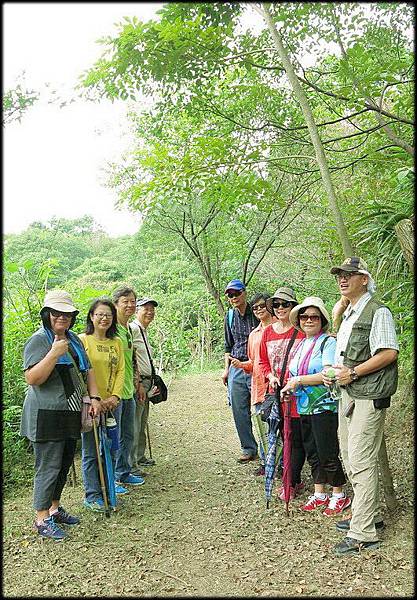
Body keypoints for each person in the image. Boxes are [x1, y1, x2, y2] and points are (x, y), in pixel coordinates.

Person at [324, 257, 399, 556]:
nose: (342, 279)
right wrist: (338, 310)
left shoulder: (377, 312)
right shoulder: (351, 312)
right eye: (340, 275)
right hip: (350, 393)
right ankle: (369, 515)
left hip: (368, 395)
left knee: (361, 458)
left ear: (364, 279)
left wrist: (353, 372)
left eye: (349, 275)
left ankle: (363, 533)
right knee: (349, 456)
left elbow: (389, 353)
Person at [20, 290, 100, 540]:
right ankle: (41, 517)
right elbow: (33, 378)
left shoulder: (74, 339)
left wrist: (95, 398)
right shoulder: (38, 341)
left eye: (66, 314)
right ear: (47, 315)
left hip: (70, 411)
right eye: (56, 313)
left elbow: (88, 372)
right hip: (45, 414)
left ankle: (54, 508)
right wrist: (54, 354)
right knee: (48, 466)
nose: (61, 317)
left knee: (64, 463)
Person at [280, 296, 350, 515]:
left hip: (324, 405)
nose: (308, 320)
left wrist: (298, 381)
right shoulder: (301, 343)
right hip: (303, 406)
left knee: (327, 450)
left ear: (322, 320)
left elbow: (329, 373)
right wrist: (289, 387)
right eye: (304, 316)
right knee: (313, 452)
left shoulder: (328, 342)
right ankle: (320, 492)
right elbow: (294, 374)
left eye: (314, 317)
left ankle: (339, 493)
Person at [79, 298, 126, 511]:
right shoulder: (82, 341)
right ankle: (92, 494)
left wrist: (115, 397)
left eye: (108, 315)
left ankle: (109, 487)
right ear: (91, 316)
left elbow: (120, 371)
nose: (104, 318)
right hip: (90, 405)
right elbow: (81, 373)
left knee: (110, 447)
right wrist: (94, 399)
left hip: (110, 404)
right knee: (90, 450)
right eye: (99, 314)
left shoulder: (116, 343)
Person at [259, 287, 305, 499]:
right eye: (276, 305)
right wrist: (270, 376)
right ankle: (290, 478)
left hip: (297, 394)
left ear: (293, 307)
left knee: (295, 439)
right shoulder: (267, 332)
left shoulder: (302, 332)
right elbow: (263, 362)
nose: (280, 308)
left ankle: (291, 482)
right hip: (275, 394)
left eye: (285, 304)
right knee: (280, 437)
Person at [229, 292, 275, 476]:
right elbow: (254, 362)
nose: (258, 310)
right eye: (255, 308)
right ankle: (266, 462)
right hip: (257, 385)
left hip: (272, 386)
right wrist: (241, 365)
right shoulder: (254, 334)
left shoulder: (278, 329)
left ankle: (279, 463)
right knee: (261, 425)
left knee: (275, 425)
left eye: (262, 306)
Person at [222, 279, 259, 463]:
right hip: (237, 365)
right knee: (239, 410)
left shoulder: (258, 312)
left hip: (256, 367)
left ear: (244, 292)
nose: (234, 297)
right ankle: (249, 448)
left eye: (237, 293)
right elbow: (228, 346)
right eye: (230, 295)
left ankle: (271, 449)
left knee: (262, 409)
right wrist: (226, 370)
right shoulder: (229, 316)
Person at [112, 286, 145, 487]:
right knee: (114, 438)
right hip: (114, 392)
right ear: (115, 304)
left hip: (128, 390)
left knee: (128, 434)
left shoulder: (129, 329)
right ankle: (113, 476)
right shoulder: (110, 328)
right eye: (125, 301)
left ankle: (124, 472)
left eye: (133, 301)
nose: (130, 305)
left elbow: (132, 360)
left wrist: (138, 384)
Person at [130, 297, 159, 472]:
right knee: (135, 422)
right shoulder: (132, 329)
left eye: (152, 309)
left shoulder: (143, 331)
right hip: (138, 382)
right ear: (136, 311)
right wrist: (138, 381)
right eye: (145, 309)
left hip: (148, 381)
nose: (149, 312)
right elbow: (131, 357)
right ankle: (132, 462)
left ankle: (139, 456)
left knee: (142, 420)